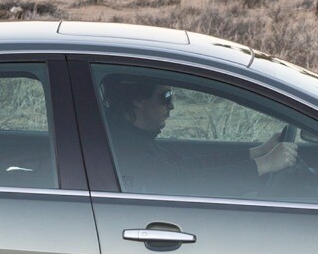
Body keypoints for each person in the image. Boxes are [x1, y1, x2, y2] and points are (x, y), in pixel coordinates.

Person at [100, 75, 298, 197]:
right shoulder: (124, 148)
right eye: (165, 98)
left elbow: (188, 164)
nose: (172, 106)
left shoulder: (133, 140)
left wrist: (259, 152)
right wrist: (264, 164)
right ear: (137, 101)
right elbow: (185, 181)